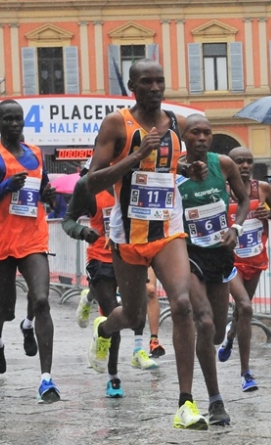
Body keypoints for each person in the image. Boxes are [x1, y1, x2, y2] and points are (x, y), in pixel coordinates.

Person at [86, 59, 208, 429]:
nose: (155, 88)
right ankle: (104, 329)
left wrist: (191, 170)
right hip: (128, 233)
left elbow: (171, 166)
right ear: (132, 87)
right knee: (135, 316)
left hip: (168, 229)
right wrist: (136, 156)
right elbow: (91, 181)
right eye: (147, 82)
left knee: (182, 303)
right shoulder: (116, 123)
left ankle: (185, 403)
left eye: (160, 81)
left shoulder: (177, 123)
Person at [0, 99, 60, 403]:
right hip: (2, 243)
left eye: (18, 119)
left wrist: (48, 195)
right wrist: (5, 187)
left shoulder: (35, 153)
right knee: (6, 308)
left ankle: (46, 380)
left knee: (42, 300)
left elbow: (42, 192)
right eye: (7, 119)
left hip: (33, 240)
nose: (14, 124)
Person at [62, 162, 158, 398]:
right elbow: (68, 220)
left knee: (134, 311)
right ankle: (113, 378)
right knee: (113, 310)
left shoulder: (138, 181)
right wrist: (82, 232)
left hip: (130, 258)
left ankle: (98, 317)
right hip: (101, 260)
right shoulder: (89, 186)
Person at [178, 114, 250, 425]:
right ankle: (215, 400)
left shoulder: (224, 165)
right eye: (195, 132)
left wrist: (235, 227)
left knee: (217, 333)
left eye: (207, 132)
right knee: (204, 322)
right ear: (184, 136)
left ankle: (207, 351)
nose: (202, 137)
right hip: (189, 252)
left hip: (219, 253)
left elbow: (244, 200)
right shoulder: (174, 170)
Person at [217, 146, 271, 392]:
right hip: (230, 262)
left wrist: (270, 214)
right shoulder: (221, 191)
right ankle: (246, 373)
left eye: (249, 161)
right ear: (230, 165)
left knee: (241, 312)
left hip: (255, 260)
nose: (245, 166)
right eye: (239, 162)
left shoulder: (263, 189)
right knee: (245, 307)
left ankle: (229, 339)